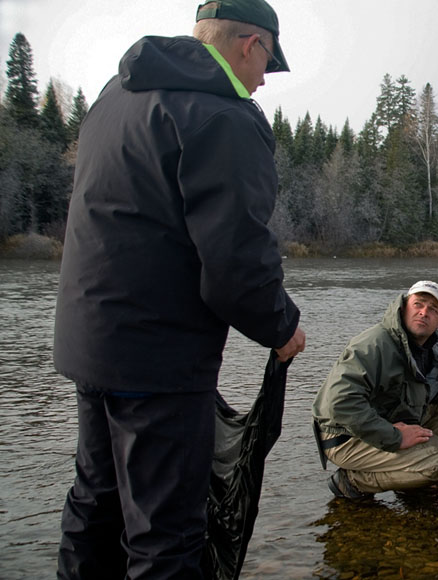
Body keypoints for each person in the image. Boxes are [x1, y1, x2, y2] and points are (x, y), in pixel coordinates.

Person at [52, 1, 305, 577]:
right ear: (249, 43)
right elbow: (237, 260)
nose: (264, 78)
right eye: (268, 60)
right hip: (158, 364)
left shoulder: (116, 96)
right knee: (166, 535)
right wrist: (281, 326)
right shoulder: (222, 116)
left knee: (95, 504)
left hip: (90, 345)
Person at [312, 281, 438, 500]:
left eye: (433, 309)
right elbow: (340, 404)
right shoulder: (374, 344)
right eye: (418, 304)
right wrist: (394, 436)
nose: (423, 312)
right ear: (403, 307)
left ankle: (416, 469)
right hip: (344, 436)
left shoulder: (434, 349)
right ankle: (353, 481)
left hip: (381, 421)